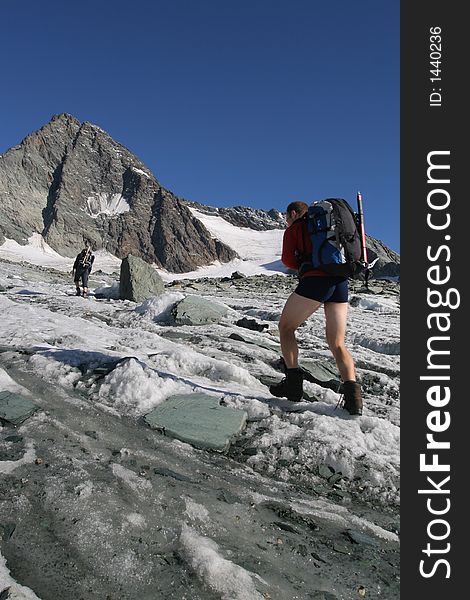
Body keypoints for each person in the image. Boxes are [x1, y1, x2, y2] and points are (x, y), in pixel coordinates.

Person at [269, 201, 363, 415]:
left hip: (316, 281)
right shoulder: (329, 227)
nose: (286, 220)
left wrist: (304, 261)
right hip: (339, 283)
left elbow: (288, 260)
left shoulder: (295, 228)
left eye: (287, 216)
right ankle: (354, 401)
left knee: (286, 327)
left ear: (293, 213)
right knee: (337, 342)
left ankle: (293, 385)